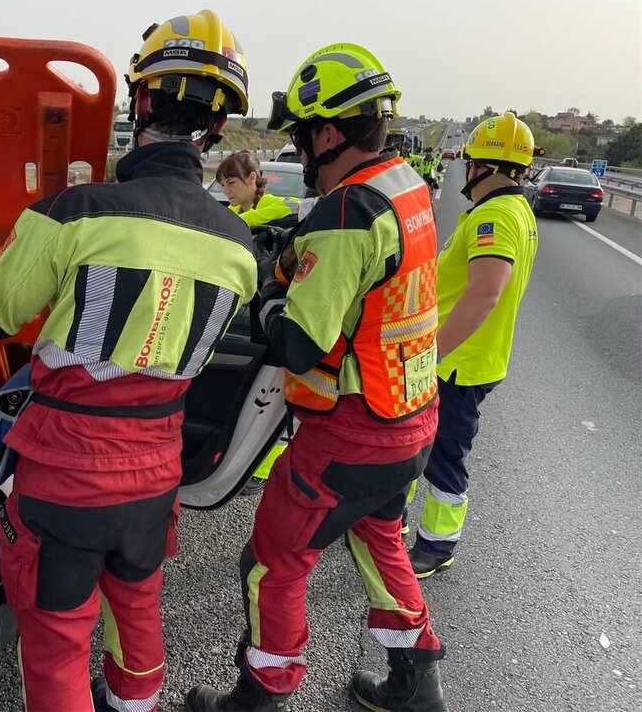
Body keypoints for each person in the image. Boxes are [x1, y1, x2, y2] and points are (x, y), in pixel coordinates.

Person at [0, 9, 258, 712]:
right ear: (216, 128)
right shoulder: (241, 249)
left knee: (57, 649)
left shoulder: (75, 213)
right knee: (139, 622)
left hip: (64, 484)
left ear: (139, 99)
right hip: (155, 481)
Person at [186, 43, 447, 712]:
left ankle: (261, 693)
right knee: (380, 539)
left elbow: (300, 344)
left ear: (330, 132)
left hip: (350, 435)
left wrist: (275, 289)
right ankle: (417, 686)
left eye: (302, 137)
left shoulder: (345, 214)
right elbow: (374, 289)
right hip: (409, 417)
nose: (300, 152)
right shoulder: (406, 189)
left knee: (272, 563)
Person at [407, 112, 539, 579]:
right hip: (464, 360)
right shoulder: (515, 211)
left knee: (443, 455)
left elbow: (485, 292)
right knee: (415, 446)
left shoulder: (497, 216)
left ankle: (436, 546)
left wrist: (433, 355)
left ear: (477, 165)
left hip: (456, 364)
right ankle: (388, 525)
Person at [215, 150, 297, 226]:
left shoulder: (270, 203)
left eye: (231, 183)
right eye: (222, 185)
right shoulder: (232, 210)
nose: (225, 191)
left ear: (252, 178)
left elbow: (296, 204)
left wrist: (245, 219)